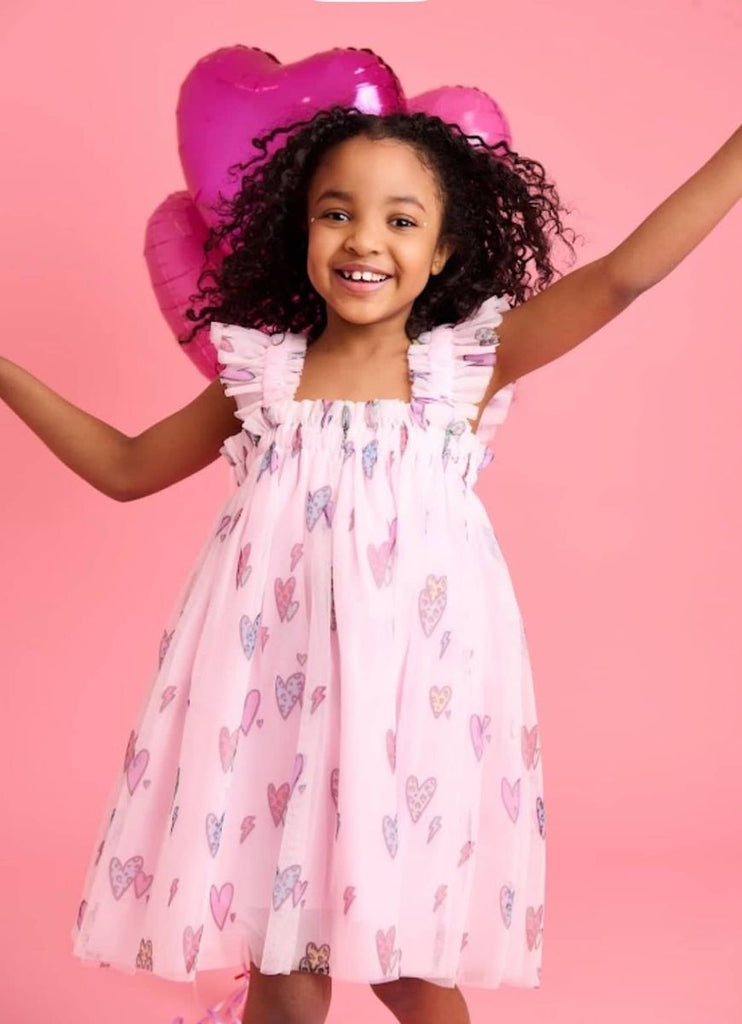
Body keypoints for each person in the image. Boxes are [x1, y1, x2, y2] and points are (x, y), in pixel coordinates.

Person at [2, 106, 739, 1024]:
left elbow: (625, 276)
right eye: (336, 213)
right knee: (283, 962)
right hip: (274, 708)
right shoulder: (262, 379)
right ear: (301, 230)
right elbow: (124, 467)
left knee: (408, 968)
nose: (364, 240)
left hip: (406, 715)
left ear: (442, 253)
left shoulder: (465, 368)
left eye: (401, 220)